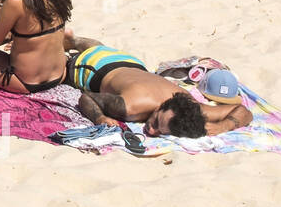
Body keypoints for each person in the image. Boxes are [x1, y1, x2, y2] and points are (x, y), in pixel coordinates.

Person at [65, 40, 253, 138]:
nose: (152, 131)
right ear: (160, 107)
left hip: (132, 62)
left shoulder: (193, 108)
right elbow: (87, 97)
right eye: (156, 121)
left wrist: (224, 125)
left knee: (95, 46)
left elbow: (243, 111)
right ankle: (72, 42)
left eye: (160, 131)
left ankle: (77, 40)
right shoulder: (131, 107)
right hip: (92, 64)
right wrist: (100, 117)